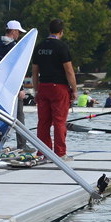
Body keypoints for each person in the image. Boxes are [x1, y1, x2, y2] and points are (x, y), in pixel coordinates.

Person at [30, 18, 76, 158]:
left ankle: (43, 152)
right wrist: (74, 89)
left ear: (49, 30)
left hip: (43, 86)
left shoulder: (39, 46)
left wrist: (36, 90)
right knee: (59, 122)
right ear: (61, 32)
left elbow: (34, 71)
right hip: (59, 88)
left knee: (43, 122)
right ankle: (60, 154)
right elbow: (68, 70)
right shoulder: (62, 47)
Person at [0, 19, 32, 150]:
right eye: (18, 32)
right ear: (13, 31)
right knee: (19, 116)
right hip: (12, 88)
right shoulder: (14, 46)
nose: (19, 34)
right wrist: (21, 89)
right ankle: (22, 145)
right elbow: (16, 70)